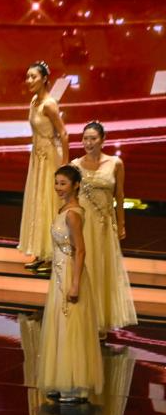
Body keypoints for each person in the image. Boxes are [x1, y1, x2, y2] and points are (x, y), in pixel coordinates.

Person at [38, 166, 103, 404]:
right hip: (59, 274)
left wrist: (75, 284)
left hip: (69, 273)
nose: (58, 188)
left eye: (63, 183)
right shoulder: (63, 210)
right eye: (57, 182)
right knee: (60, 326)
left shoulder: (73, 214)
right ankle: (61, 380)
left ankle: (74, 386)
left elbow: (81, 250)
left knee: (71, 327)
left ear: (76, 185)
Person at [71, 121, 137, 335]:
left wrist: (121, 224)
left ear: (102, 140)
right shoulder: (75, 165)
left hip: (104, 227)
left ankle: (99, 321)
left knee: (102, 271)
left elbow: (120, 196)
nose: (88, 143)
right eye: (85, 138)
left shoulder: (115, 163)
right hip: (82, 226)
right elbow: (70, 199)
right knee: (85, 269)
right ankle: (83, 320)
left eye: (93, 138)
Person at [18, 61, 69, 273]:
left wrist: (65, 165)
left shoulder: (49, 104)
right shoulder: (34, 101)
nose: (29, 80)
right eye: (28, 76)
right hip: (37, 158)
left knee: (49, 202)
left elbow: (63, 133)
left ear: (45, 79)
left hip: (50, 158)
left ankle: (53, 255)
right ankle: (41, 252)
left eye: (34, 76)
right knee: (38, 202)